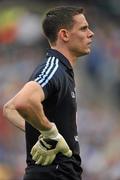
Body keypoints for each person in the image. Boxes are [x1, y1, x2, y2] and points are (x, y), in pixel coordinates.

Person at [3, 6, 94, 180]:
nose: (91, 33)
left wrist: (40, 133)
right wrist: (50, 132)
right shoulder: (53, 68)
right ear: (64, 35)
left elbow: (10, 108)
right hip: (53, 174)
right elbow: (23, 102)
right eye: (83, 28)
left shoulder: (62, 70)